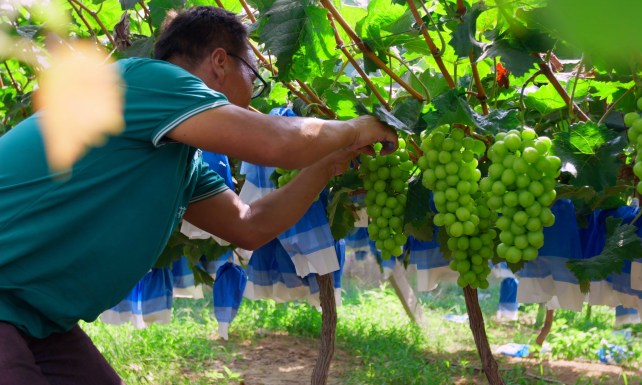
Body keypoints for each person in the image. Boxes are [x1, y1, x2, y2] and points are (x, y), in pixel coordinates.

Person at [0, 6, 397, 385]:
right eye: (254, 77)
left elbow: (249, 226)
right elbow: (278, 143)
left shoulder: (178, 159)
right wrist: (355, 128)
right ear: (221, 62)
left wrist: (326, 165)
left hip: (36, 318)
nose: (254, 96)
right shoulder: (149, 80)